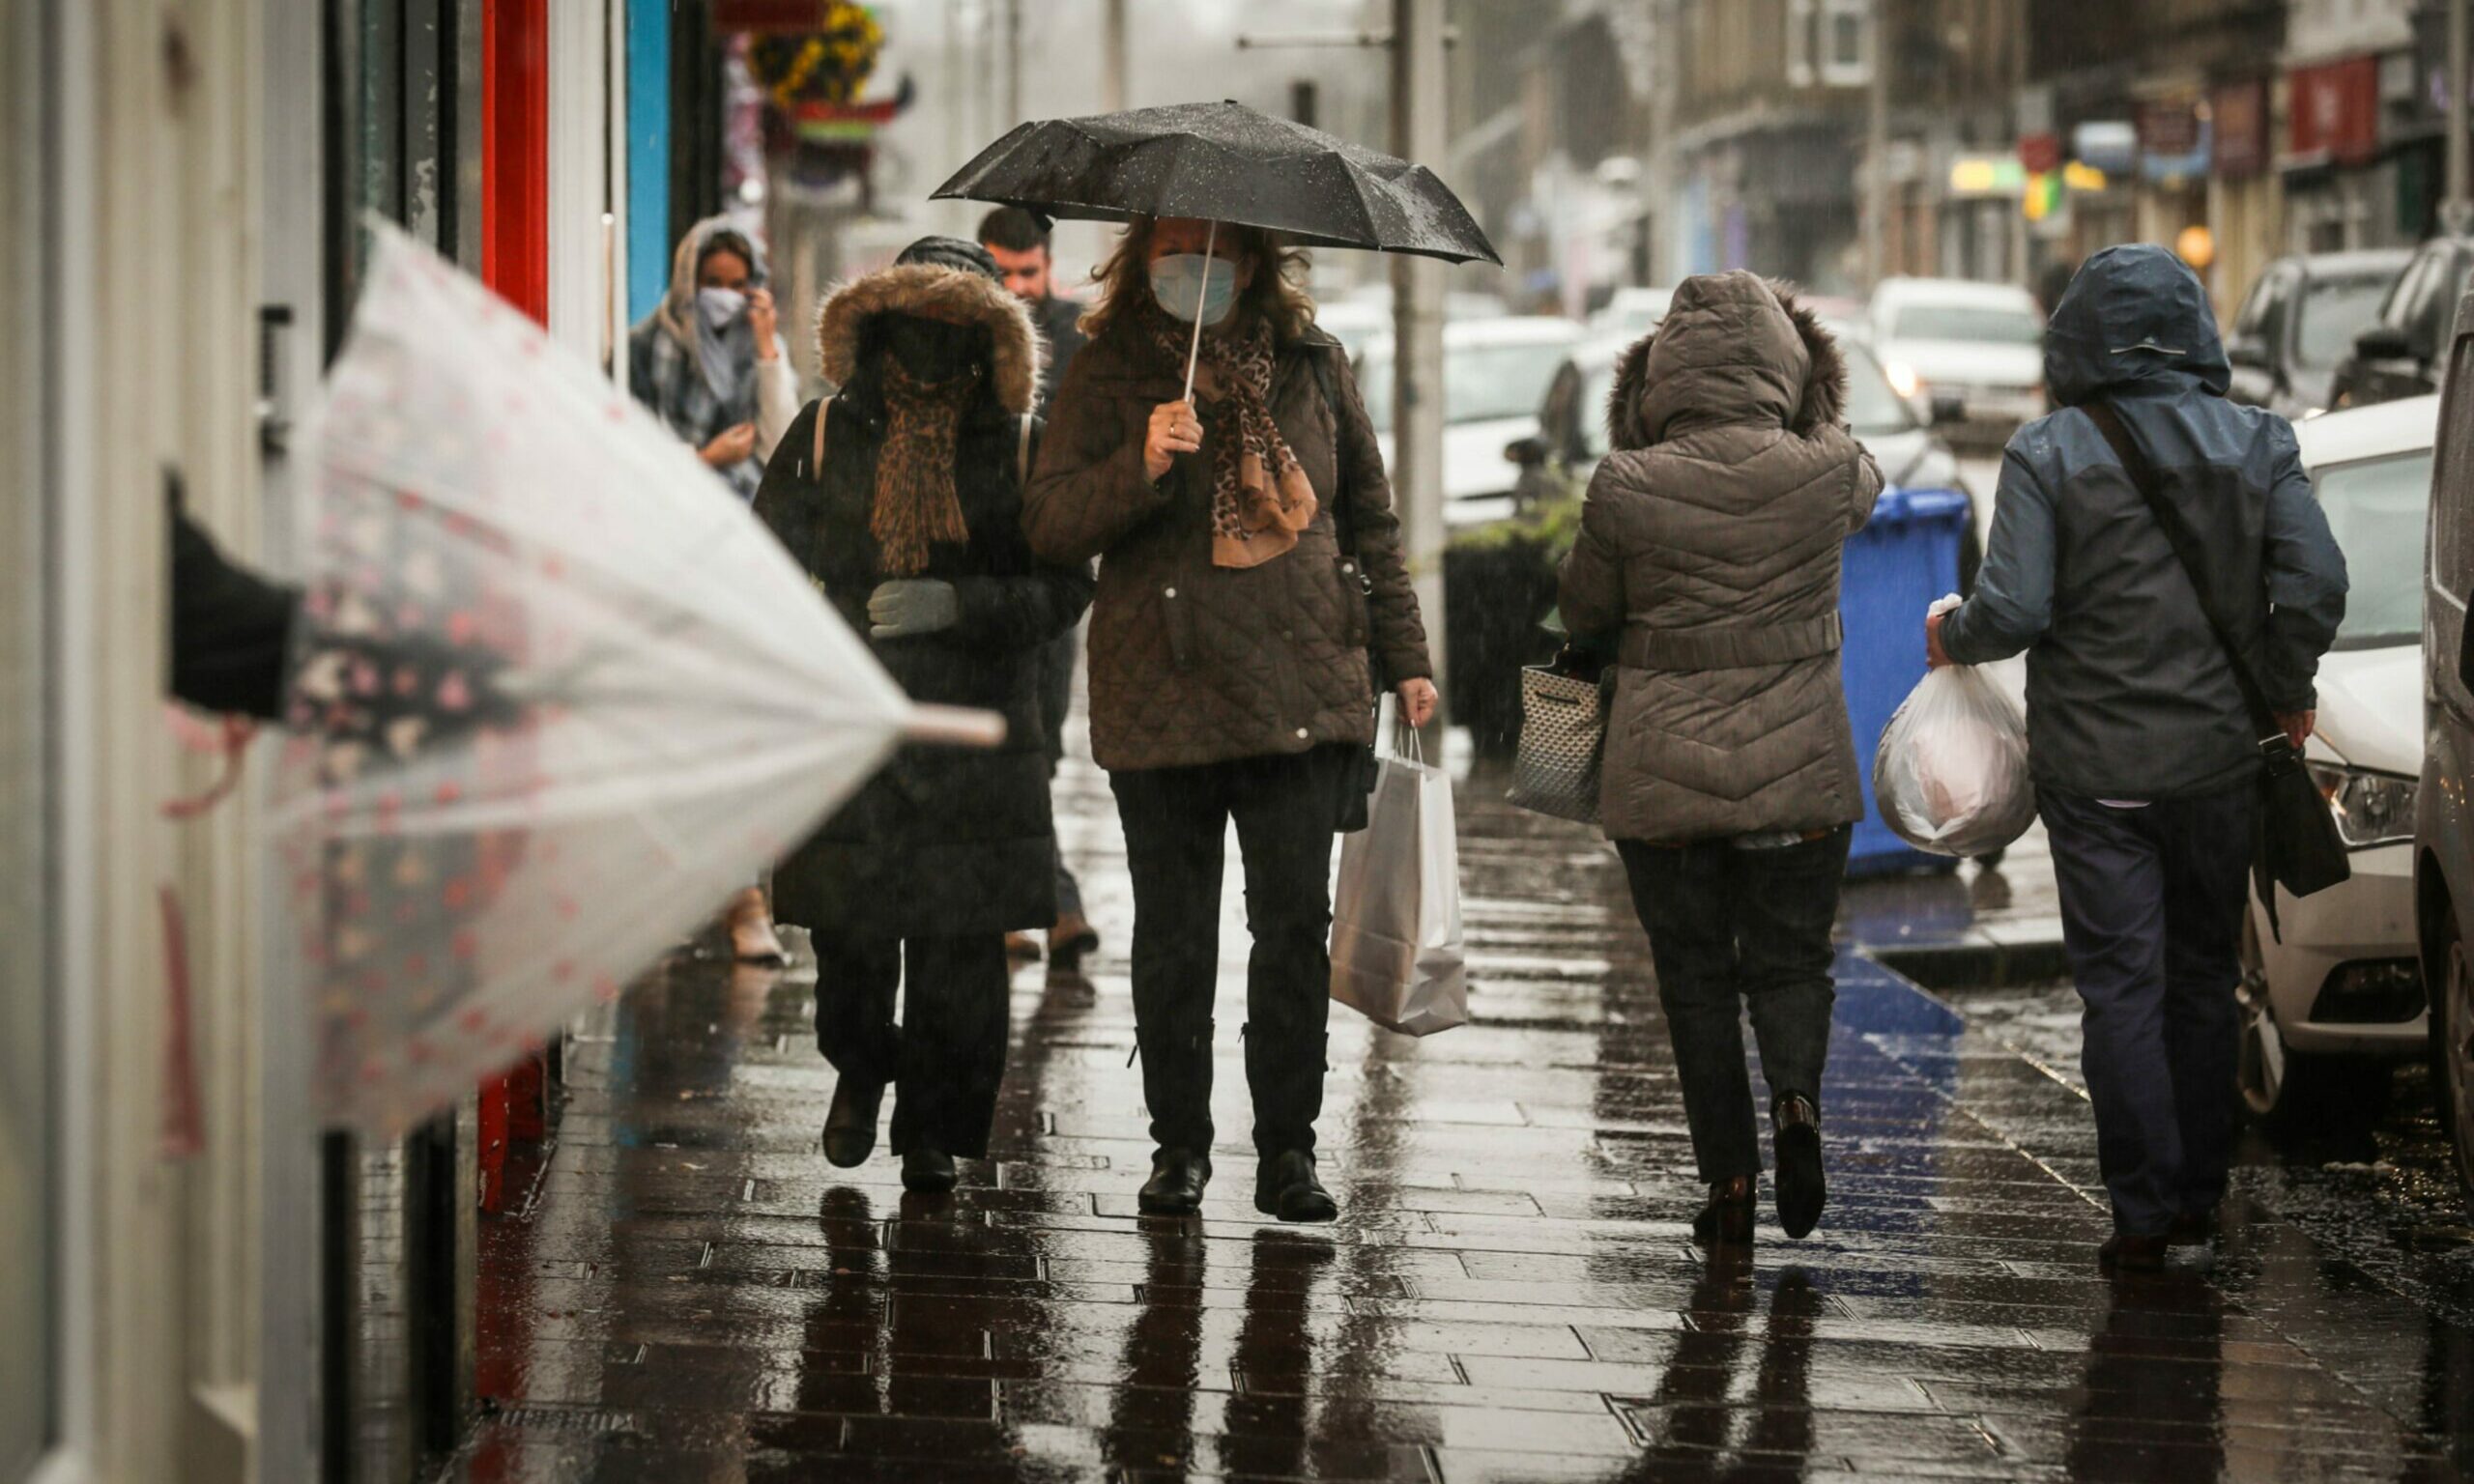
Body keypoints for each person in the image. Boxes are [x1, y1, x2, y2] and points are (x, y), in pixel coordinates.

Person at [1929, 244, 2347, 1271]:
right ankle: (2201, 1200)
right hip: (2215, 765)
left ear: (2075, 339)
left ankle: (2143, 1211)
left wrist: (1956, 635)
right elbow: (2319, 581)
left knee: (2119, 985)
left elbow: (2016, 608)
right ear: (2198, 333)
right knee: (2203, 978)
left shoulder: (2047, 451)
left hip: (2096, 773)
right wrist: (2284, 687)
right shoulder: (2259, 441)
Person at [1023, 215, 1437, 1222]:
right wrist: (1143, 460)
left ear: (1253, 263)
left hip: (1302, 685)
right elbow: (1048, 522)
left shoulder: (1312, 362)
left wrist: (1407, 659)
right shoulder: (1105, 366)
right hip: (1162, 688)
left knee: (1290, 930)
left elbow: (1368, 520)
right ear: (1141, 261)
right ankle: (1178, 1149)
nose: (1192, 268)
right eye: (1173, 249)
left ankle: (1288, 1152)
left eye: (1215, 251)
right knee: (1173, 936)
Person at [752, 237, 1092, 1195]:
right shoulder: (825, 433)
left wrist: (963, 605)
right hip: (854, 727)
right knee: (851, 945)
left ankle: (932, 1131)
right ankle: (863, 1068)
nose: (936, 345)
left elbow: (1065, 585)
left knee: (960, 962)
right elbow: (763, 562)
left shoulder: (1024, 443)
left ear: (992, 335)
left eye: (960, 326)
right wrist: (826, 626)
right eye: (917, 323)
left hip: (977, 734)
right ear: (881, 321)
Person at [1557, 271, 1884, 1250]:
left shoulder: (1625, 485)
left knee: (1694, 979)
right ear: (1789, 369)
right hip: (1800, 771)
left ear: (1657, 376)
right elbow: (1869, 487)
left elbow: (1582, 614)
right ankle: (1795, 1107)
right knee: (1789, 963)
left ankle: (1729, 1185)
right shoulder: (1827, 467)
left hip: (1663, 783)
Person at [628, 214, 802, 962]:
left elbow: (785, 442)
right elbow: (626, 460)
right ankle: (694, 890)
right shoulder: (642, 351)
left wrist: (767, 349)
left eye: (741, 285)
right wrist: (698, 460)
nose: (726, 299)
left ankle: (742, 898)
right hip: (667, 563)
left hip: (745, 562)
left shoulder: (762, 349)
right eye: (714, 285)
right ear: (687, 281)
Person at [977, 206, 1100, 972]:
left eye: (1028, 273)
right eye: (1003, 274)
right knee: (1007, 742)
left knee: (1040, 744)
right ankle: (1047, 901)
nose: (1018, 288)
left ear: (1047, 265)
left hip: (1051, 573)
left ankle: (1039, 897)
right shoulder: (970, 337)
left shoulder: (1080, 339)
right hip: (987, 568)